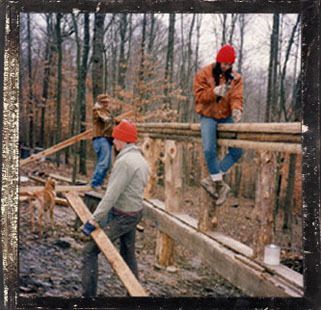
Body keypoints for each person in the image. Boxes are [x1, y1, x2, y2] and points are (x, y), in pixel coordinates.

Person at [81, 120, 150, 298]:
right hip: (134, 213)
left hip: (123, 216)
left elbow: (110, 196)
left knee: (89, 250)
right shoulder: (141, 159)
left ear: (124, 140)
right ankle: (133, 295)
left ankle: (88, 298)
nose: (113, 142)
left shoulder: (125, 162)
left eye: (116, 139)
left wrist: (93, 221)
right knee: (128, 254)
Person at [194, 44, 243, 206]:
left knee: (237, 150)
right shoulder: (204, 73)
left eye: (229, 65)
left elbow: (237, 96)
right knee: (209, 148)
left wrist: (237, 110)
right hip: (208, 115)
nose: (226, 67)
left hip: (225, 116)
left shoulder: (236, 77)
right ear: (218, 61)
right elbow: (199, 96)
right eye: (224, 64)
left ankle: (213, 179)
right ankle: (219, 184)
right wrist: (213, 92)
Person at [90, 94, 115, 190]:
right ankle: (95, 183)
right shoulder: (97, 110)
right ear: (101, 103)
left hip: (107, 139)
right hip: (100, 138)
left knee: (107, 163)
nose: (107, 104)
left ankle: (99, 182)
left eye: (107, 102)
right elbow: (105, 119)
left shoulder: (106, 111)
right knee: (103, 162)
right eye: (105, 102)